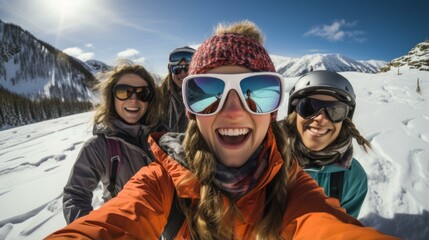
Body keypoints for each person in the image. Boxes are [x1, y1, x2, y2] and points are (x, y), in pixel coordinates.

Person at [47, 21, 397, 239]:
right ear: (190, 110)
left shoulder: (292, 183)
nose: (232, 111)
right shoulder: (160, 181)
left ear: (274, 107)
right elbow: (115, 222)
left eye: (257, 90)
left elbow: (327, 226)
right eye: (208, 92)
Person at [62, 61, 166, 224]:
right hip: (127, 229)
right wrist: (94, 234)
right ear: (112, 97)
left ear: (149, 99)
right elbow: (75, 196)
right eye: (124, 92)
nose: (133, 100)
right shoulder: (99, 147)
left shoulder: (162, 135)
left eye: (142, 93)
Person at [281, 70, 370, 218]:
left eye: (334, 111)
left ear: (344, 120)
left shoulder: (353, 177)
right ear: (294, 113)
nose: (321, 118)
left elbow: (343, 229)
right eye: (309, 107)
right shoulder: (263, 158)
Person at [159, 46, 196, 132]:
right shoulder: (159, 98)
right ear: (170, 71)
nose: (183, 74)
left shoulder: (209, 98)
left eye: (188, 69)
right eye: (177, 69)